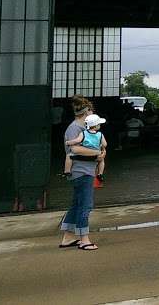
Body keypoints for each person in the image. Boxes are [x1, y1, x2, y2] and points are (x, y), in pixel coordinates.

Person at [59, 95, 104, 251]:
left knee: (77, 204)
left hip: (83, 170)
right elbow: (75, 149)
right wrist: (96, 153)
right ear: (88, 112)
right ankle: (84, 239)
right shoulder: (75, 128)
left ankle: (68, 237)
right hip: (81, 171)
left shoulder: (80, 128)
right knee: (85, 205)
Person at [64, 113, 108, 184]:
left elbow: (77, 140)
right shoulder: (100, 134)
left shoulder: (83, 133)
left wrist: (68, 142)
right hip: (96, 156)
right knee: (102, 161)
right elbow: (105, 144)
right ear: (96, 126)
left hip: (85, 155)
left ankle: (67, 171)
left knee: (69, 155)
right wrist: (101, 147)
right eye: (99, 124)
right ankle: (100, 173)